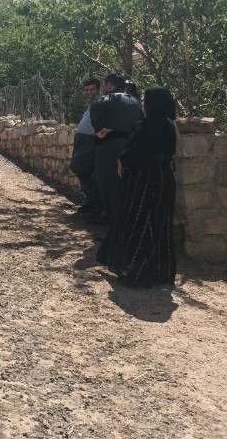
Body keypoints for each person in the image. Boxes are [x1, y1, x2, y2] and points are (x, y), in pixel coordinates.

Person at [97, 86, 178, 286]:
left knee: (139, 223)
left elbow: (140, 150)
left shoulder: (150, 123)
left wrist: (122, 160)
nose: (142, 103)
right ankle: (159, 272)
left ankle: (139, 272)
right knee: (160, 225)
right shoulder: (169, 124)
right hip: (164, 178)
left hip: (145, 179)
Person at [89, 73, 142, 227]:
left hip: (108, 147)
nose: (103, 88)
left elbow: (95, 107)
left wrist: (98, 129)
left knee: (106, 184)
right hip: (129, 147)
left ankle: (112, 224)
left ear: (110, 86)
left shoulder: (105, 99)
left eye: (104, 85)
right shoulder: (135, 101)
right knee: (123, 185)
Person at [69, 78, 102, 217]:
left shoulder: (100, 102)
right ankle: (91, 201)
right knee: (83, 170)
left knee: (79, 167)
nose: (89, 92)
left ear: (99, 89)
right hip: (82, 140)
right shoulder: (92, 103)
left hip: (90, 140)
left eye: (92, 89)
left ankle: (96, 204)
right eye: (87, 90)